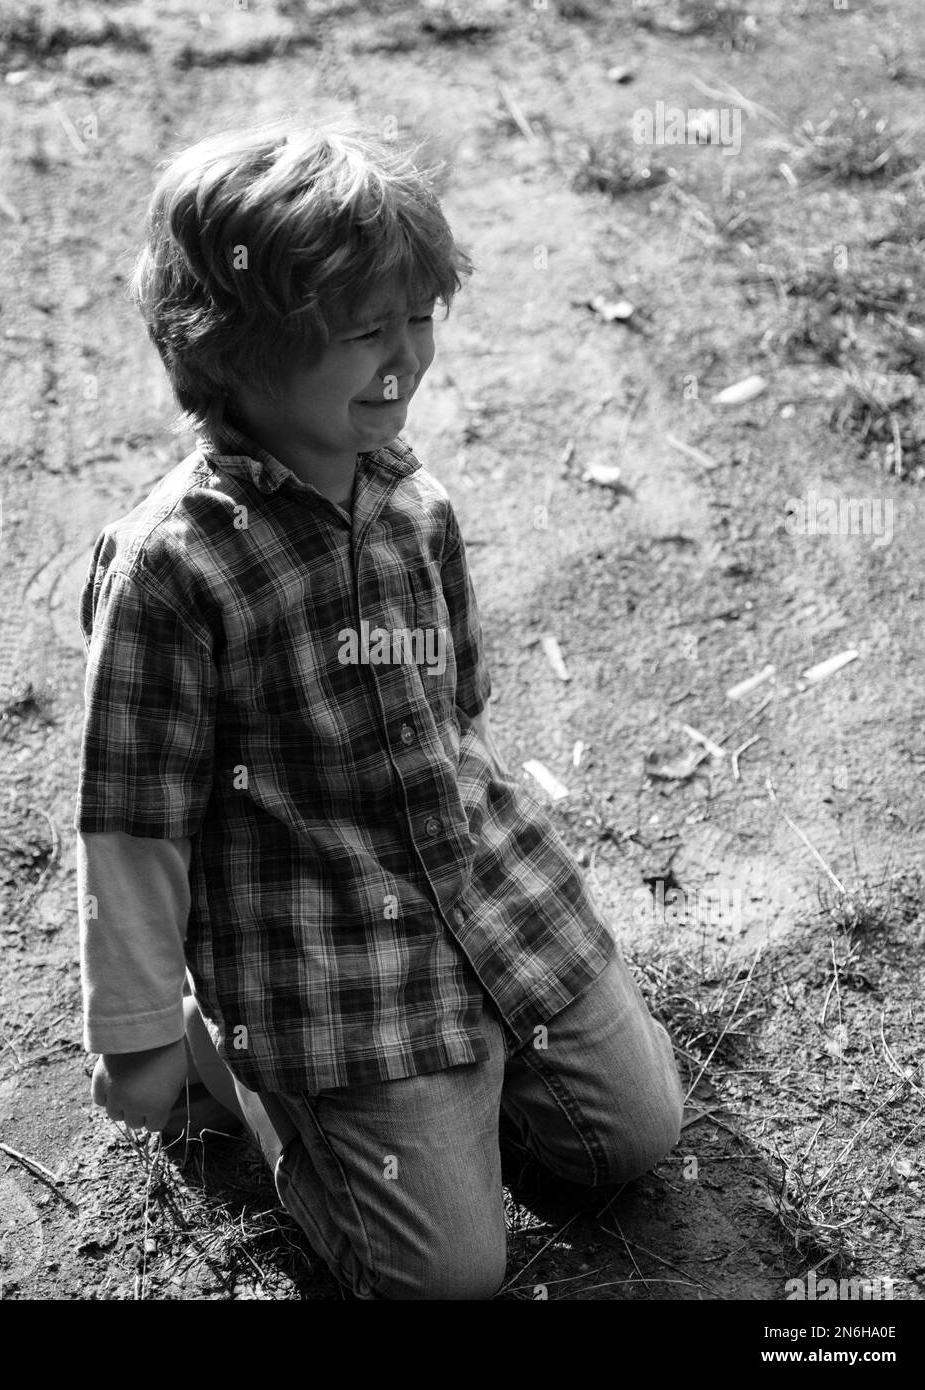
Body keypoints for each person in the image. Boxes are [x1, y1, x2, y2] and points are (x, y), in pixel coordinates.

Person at [75, 120, 683, 1300]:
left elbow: (457, 709)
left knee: (632, 1139)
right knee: (445, 1278)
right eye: (365, 334)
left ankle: (471, 1077)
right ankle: (256, 1084)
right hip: (321, 951)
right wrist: (135, 1031)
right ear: (231, 349)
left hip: (479, 890)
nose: (404, 361)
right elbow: (128, 825)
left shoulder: (415, 502)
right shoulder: (173, 571)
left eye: (419, 320)